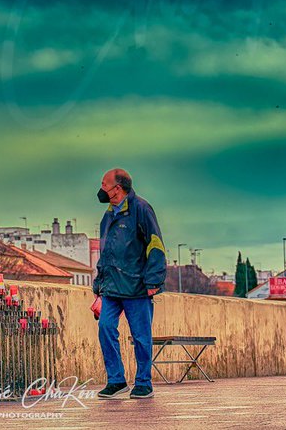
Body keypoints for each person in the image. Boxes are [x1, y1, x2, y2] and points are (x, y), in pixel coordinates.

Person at [91, 168, 166, 399]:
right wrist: (99, 285)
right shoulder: (107, 216)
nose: (101, 189)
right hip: (111, 287)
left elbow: (155, 244)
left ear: (117, 188)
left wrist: (154, 279)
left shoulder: (141, 209)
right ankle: (116, 381)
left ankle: (144, 382)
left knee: (141, 336)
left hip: (137, 287)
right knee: (105, 328)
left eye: (104, 184)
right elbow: (107, 253)